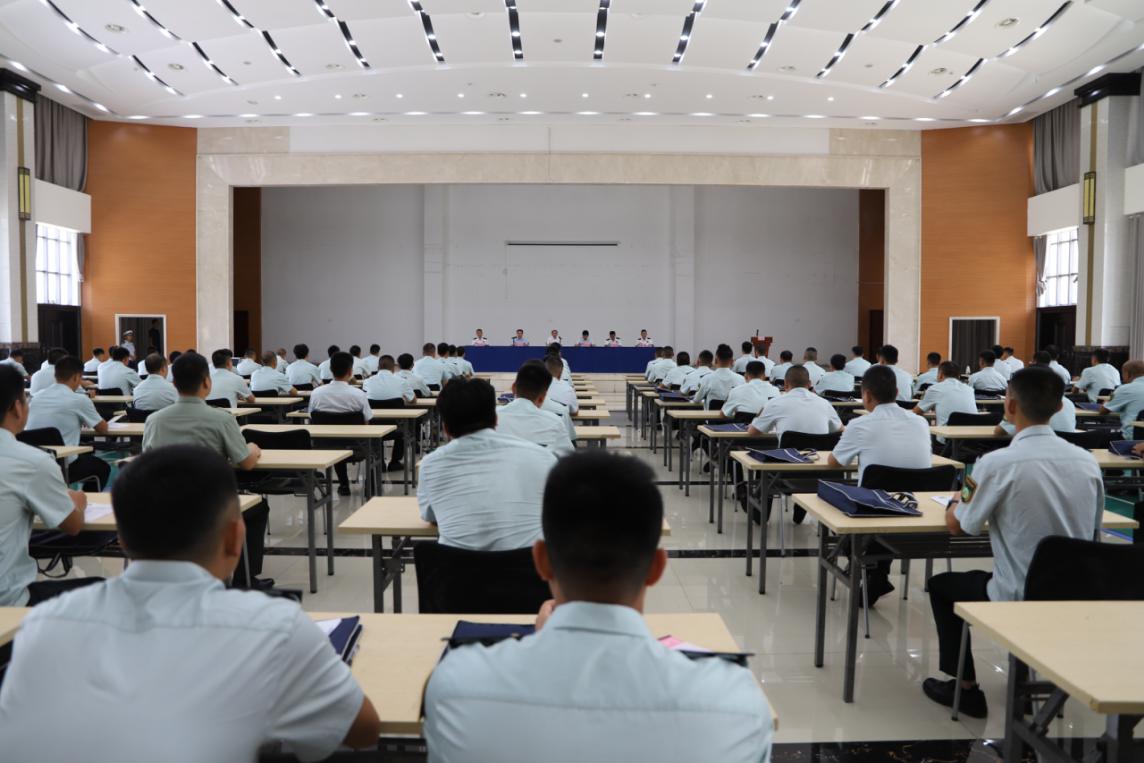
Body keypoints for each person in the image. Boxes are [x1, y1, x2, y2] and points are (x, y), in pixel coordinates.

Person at [0, 445, 381, 759]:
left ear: (123, 539)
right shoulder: (276, 627)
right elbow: (362, 731)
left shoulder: (41, 624)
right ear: (235, 538)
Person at [423, 450, 774, 763]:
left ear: (541, 560)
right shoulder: (735, 701)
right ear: (657, 567)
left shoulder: (457, 685)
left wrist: (542, 638)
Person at [921, 366, 1103, 718]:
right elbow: (1094, 534)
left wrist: (957, 500)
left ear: (1010, 406)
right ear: (1060, 406)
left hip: (1018, 593)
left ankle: (965, 689)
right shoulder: (1087, 463)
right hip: (1076, 593)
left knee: (942, 586)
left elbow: (959, 527)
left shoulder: (994, 463)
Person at [141, 352, 270, 589]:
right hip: (210, 504)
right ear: (207, 382)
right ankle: (244, 579)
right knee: (258, 508)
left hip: (165, 503)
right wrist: (253, 448)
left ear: (173, 383)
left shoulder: (154, 420)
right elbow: (246, 463)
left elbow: (147, 462)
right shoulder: (221, 419)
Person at [830, 365, 932, 604]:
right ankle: (877, 573)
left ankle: (871, 569)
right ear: (897, 392)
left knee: (838, 501)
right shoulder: (920, 422)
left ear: (866, 395)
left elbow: (834, 463)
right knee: (888, 494)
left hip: (873, 513)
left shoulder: (860, 425)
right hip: (918, 511)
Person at [418, 377, 556, 551]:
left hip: (457, 567)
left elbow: (430, 515)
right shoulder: (541, 456)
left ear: (445, 429)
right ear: (496, 418)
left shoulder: (430, 464)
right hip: (526, 566)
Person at [0, 365, 95, 606]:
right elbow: (73, 525)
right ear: (16, 407)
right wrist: (78, 501)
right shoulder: (32, 462)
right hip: (9, 602)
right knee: (101, 590)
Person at [26, 355, 111, 489]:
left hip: (32, 464)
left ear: (56, 375)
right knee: (102, 467)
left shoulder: (35, 398)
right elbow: (103, 429)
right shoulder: (79, 400)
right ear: (76, 377)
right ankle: (85, 499)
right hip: (62, 466)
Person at [309, 352, 372, 495]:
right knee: (371, 445)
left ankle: (344, 484)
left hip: (324, 446)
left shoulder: (316, 393)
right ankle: (370, 488)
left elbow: (311, 417)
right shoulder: (359, 394)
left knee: (336, 442)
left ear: (331, 370)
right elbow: (367, 422)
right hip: (356, 446)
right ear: (350, 372)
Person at [497, 361, 574, 456]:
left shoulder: (492, 416)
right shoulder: (555, 422)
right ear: (543, 396)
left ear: (513, 388)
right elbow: (569, 457)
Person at [747, 365, 842, 439]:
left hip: (788, 457)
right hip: (819, 456)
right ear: (809, 384)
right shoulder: (825, 403)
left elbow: (752, 432)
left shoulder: (774, 403)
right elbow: (840, 429)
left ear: (785, 384)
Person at [363, 355, 413, 473]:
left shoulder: (367, 382)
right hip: (396, 428)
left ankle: (379, 462)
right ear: (393, 368)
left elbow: (363, 400)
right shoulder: (402, 381)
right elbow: (412, 400)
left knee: (376, 429)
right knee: (406, 426)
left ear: (378, 367)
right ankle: (394, 462)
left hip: (373, 426)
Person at [914, 361, 978, 431]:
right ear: (958, 376)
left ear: (941, 375)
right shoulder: (969, 389)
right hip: (972, 434)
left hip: (947, 435)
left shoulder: (935, 388)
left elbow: (916, 412)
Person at [1100, 359, 1144, 439]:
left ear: (1127, 374)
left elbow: (1103, 411)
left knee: (1094, 437)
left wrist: (1109, 398)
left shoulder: (1124, 389)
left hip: (1131, 438)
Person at [694, 344, 745, 410]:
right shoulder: (741, 379)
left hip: (711, 416)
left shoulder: (706, 379)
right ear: (732, 361)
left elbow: (696, 399)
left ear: (715, 361)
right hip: (733, 416)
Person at [542, 355, 579, 442]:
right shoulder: (567, 388)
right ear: (561, 373)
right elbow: (574, 412)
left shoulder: (535, 388)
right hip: (561, 435)